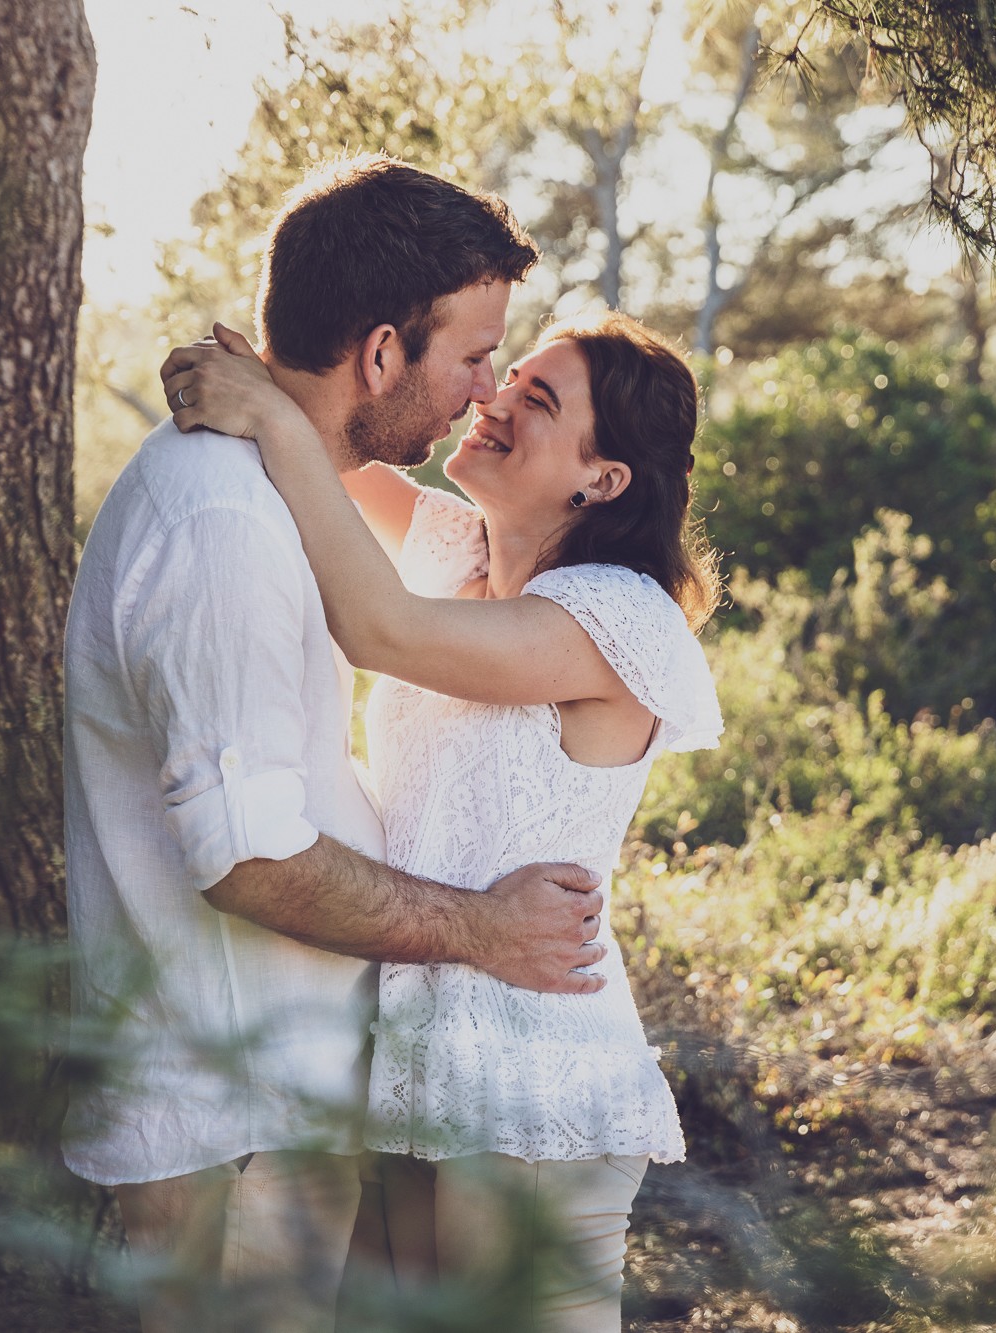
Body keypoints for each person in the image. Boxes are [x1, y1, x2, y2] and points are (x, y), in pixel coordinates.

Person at [61, 156, 614, 1333]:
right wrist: (479, 929)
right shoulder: (221, 520)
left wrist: (267, 405)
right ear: (378, 355)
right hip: (232, 1123)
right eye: (472, 356)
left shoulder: (272, 489)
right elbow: (247, 857)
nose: (482, 392)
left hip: (278, 1112)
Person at [161, 304, 723, 1332]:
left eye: (537, 401)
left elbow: (381, 628)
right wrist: (268, 366)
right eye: (507, 375)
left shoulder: (615, 616)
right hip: (416, 1064)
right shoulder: (454, 548)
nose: (495, 398)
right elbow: (332, 434)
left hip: (537, 1079)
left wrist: (276, 422)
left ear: (602, 480)